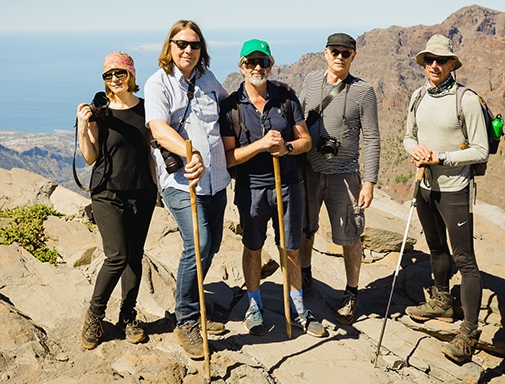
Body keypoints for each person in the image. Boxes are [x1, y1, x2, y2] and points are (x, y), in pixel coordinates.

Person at [219, 39, 326, 338]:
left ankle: (297, 306)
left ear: (271, 64)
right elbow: (230, 158)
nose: (257, 67)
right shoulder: (231, 107)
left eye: (263, 62)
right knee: (253, 248)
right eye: (251, 62)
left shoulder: (286, 98)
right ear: (241, 66)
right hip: (251, 188)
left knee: (291, 248)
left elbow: (305, 141)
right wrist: (261, 145)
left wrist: (287, 147)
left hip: (288, 186)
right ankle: (255, 305)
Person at [144, 20, 229, 359]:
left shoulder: (207, 79)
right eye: (180, 43)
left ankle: (193, 301)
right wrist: (188, 153)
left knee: (212, 245)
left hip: (217, 179)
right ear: (169, 46)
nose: (187, 50)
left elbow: (228, 106)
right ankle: (187, 320)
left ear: (201, 49)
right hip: (181, 181)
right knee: (199, 243)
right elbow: (159, 129)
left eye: (194, 45)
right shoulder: (158, 83)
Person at [402, 34, 488, 363]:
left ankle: (469, 331)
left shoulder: (465, 101)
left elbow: (480, 149)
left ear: (452, 64)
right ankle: (441, 301)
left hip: (455, 190)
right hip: (425, 185)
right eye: (428, 60)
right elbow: (408, 137)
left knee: (464, 260)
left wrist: (442, 159)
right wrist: (417, 151)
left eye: (440, 60)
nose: (434, 65)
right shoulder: (417, 96)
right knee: (436, 248)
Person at [298, 33, 380, 325]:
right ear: (325, 53)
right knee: (305, 229)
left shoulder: (363, 91)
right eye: (335, 51)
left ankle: (351, 291)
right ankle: (304, 276)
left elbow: (371, 137)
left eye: (346, 53)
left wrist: (369, 181)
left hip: (344, 175)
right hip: (308, 170)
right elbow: (297, 121)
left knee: (350, 236)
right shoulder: (310, 82)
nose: (340, 57)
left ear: (353, 56)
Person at [77, 51, 157, 350]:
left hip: (141, 191)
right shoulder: (100, 113)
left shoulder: (148, 110)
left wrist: (155, 187)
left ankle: (127, 316)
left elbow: (150, 151)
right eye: (108, 76)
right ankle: (95, 316)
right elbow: (89, 157)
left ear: (131, 75)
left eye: (120, 74)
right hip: (107, 193)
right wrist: (83, 127)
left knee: (135, 255)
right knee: (117, 256)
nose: (114, 80)